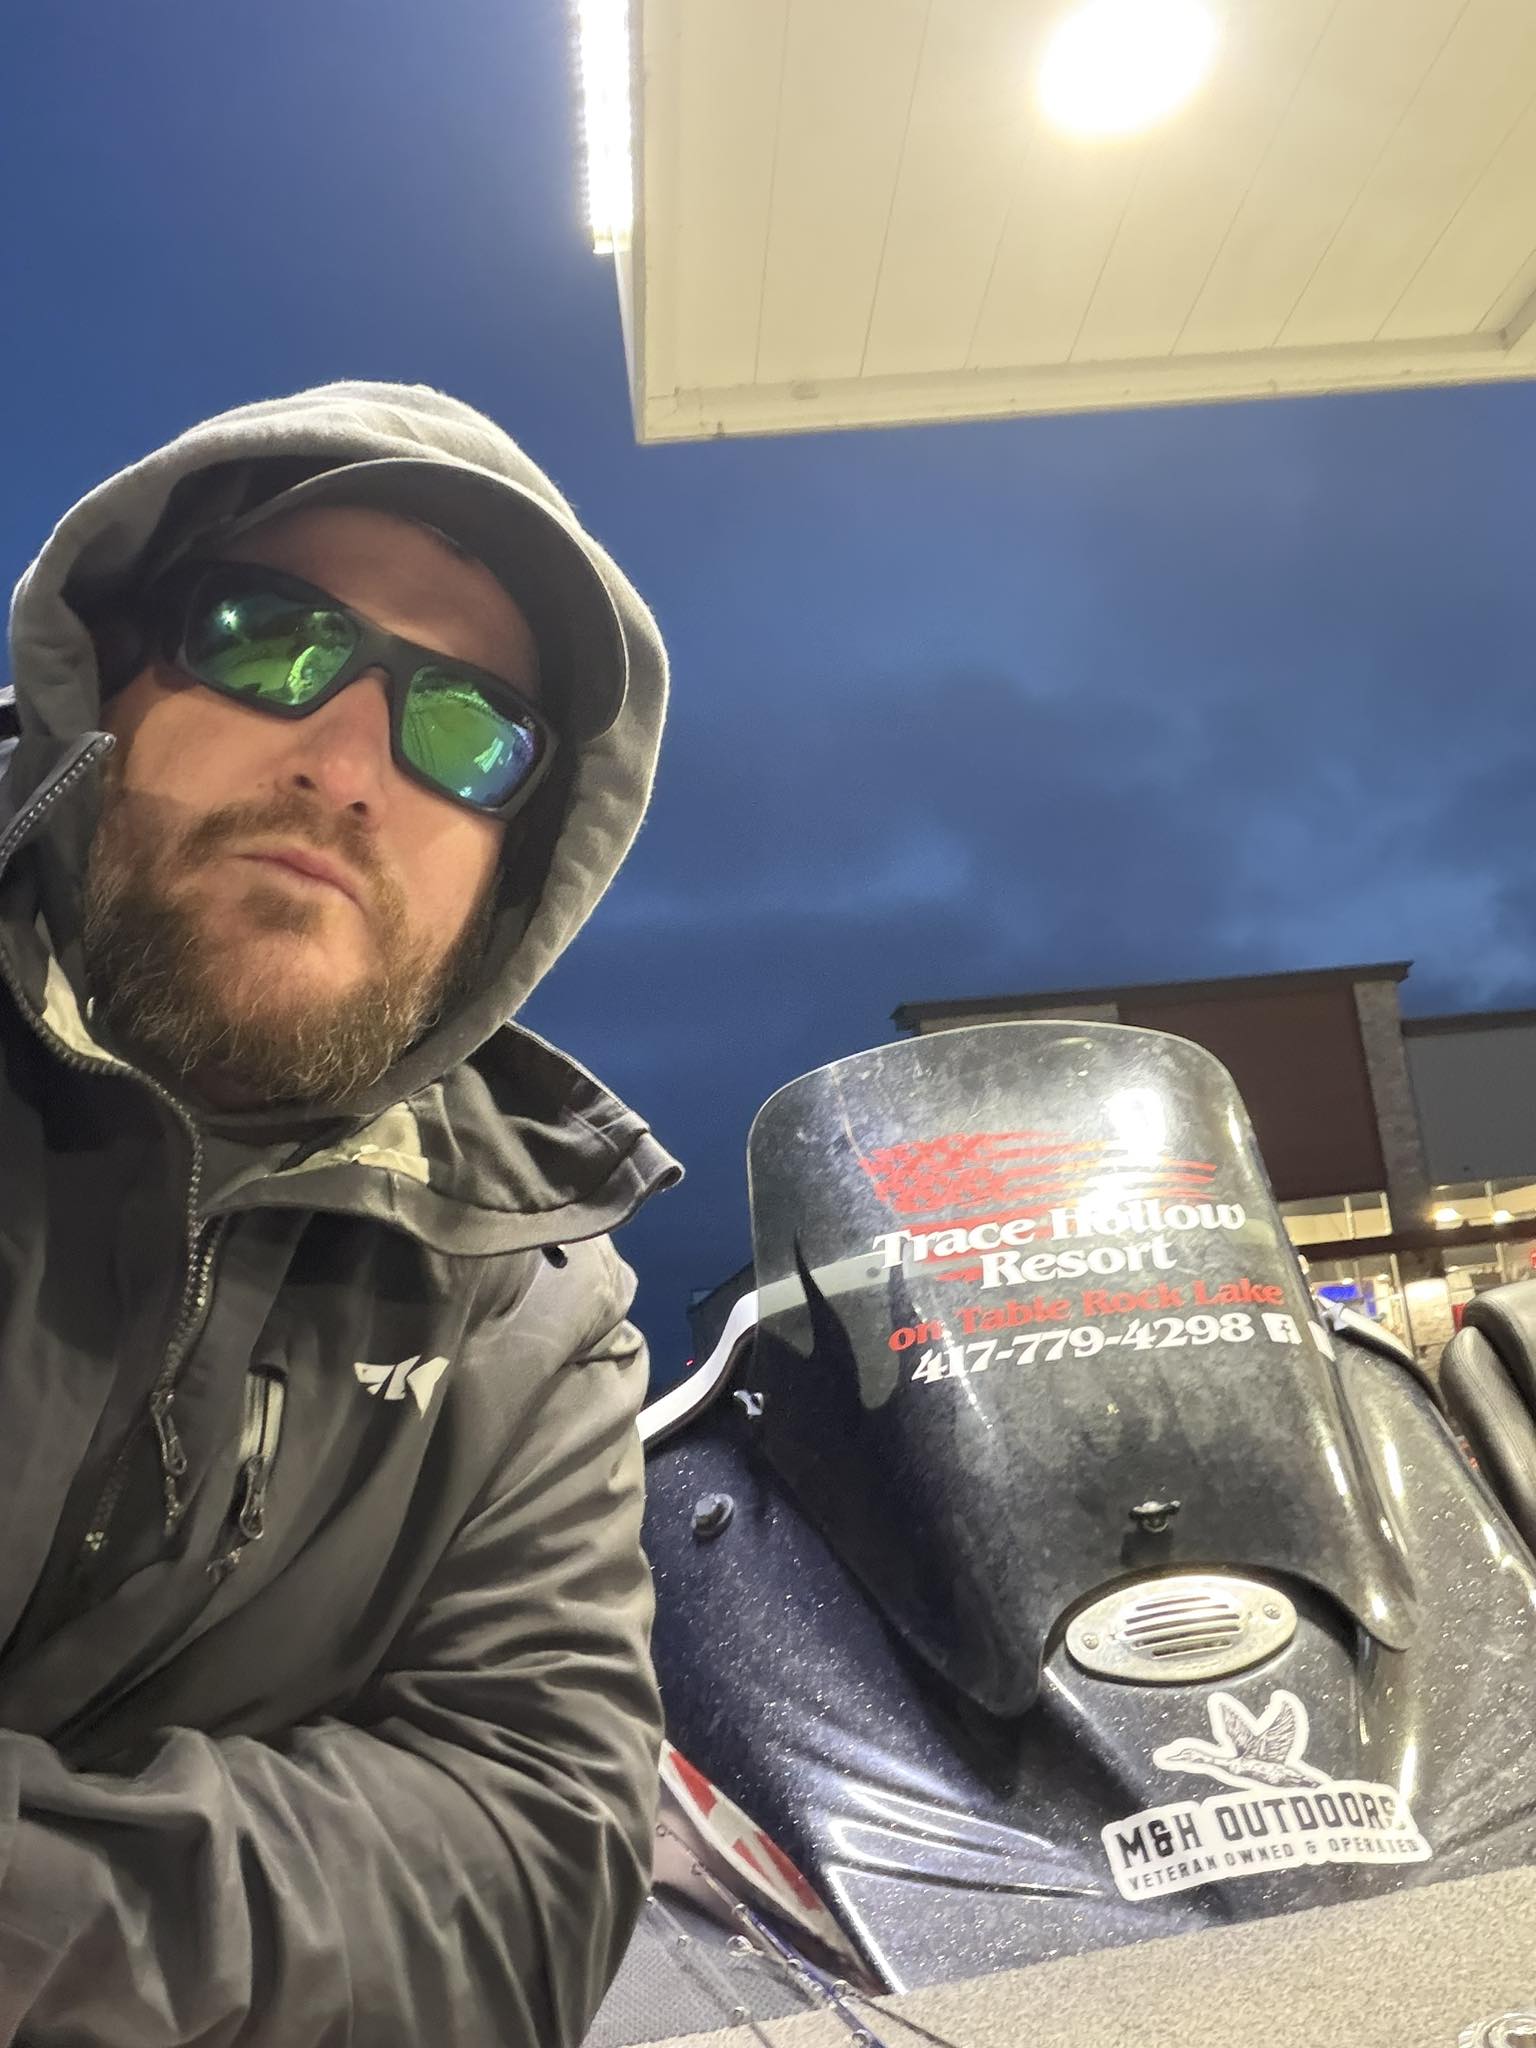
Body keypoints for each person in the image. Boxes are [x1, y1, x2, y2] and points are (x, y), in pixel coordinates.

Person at [0, 381, 680, 2045]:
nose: (350, 764)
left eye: (466, 730)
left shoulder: (533, 1304)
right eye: (270, 639)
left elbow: (528, 1863)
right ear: (115, 677)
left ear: (511, 871)